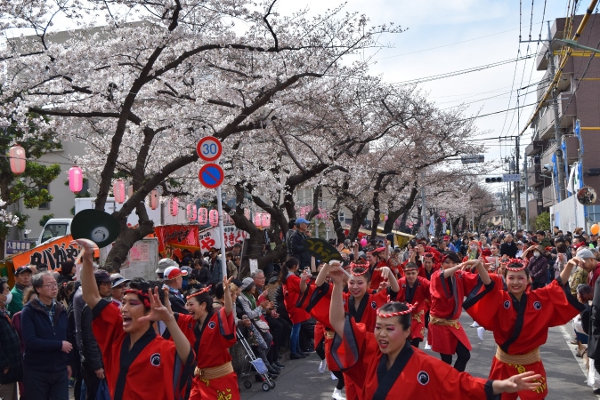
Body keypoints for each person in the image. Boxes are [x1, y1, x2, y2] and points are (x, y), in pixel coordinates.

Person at [327, 264, 542, 399]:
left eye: (389, 329)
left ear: (406, 332)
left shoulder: (424, 364)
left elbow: (461, 383)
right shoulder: (370, 348)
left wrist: (499, 385)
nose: (381, 334)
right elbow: (338, 321)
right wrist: (338, 285)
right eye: (378, 328)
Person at [76, 238, 194, 399]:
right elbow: (90, 297)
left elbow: (188, 358)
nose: (124, 309)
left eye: (132, 304)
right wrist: (88, 260)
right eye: (123, 303)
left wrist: (169, 319)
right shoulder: (117, 333)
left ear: (148, 311)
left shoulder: (162, 348)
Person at [466, 257, 584, 400]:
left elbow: (557, 284)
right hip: (503, 363)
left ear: (529, 279)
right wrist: (479, 266)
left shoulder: (538, 298)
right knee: (501, 397)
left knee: (535, 397)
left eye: (520, 278)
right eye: (511, 278)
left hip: (530, 363)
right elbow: (489, 285)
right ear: (505, 279)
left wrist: (569, 266)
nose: (516, 282)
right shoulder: (500, 298)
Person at [173, 279, 240, 400]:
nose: (187, 308)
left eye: (191, 304)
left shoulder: (217, 319)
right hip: (201, 380)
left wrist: (226, 293)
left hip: (221, 379)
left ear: (203, 305)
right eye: (186, 304)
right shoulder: (191, 323)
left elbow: (228, 311)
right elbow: (170, 318)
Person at [21, 271, 75, 400]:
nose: (54, 287)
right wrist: (59, 345)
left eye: (55, 284)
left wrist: (68, 363)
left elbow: (67, 337)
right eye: (49, 285)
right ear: (38, 289)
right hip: (37, 370)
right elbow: (31, 341)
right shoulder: (29, 311)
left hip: (59, 370)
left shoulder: (61, 309)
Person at [428, 253, 485, 372]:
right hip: (440, 324)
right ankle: (446, 383)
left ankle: (455, 380)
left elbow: (478, 280)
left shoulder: (459, 276)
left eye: (453, 262)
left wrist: (481, 266)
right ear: (441, 264)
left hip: (453, 323)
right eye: (447, 262)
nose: (450, 265)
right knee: (446, 359)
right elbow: (442, 275)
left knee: (465, 355)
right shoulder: (436, 275)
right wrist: (460, 265)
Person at [278, 258, 312, 359]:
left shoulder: (287, 277)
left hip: (292, 304)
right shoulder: (292, 278)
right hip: (295, 305)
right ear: (294, 266)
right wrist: (307, 278)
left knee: (296, 328)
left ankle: (297, 350)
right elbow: (303, 286)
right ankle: (294, 351)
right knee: (296, 329)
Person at [396, 262, 431, 348]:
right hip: (403, 315)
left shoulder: (424, 282)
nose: (411, 276)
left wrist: (424, 308)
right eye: (408, 274)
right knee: (404, 341)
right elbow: (394, 297)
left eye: (413, 273)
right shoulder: (400, 282)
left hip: (418, 316)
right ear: (404, 273)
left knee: (415, 341)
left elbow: (432, 297)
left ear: (417, 273)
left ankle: (414, 359)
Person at [0, 278, 22, 400]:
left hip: (10, 373)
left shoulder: (4, 313)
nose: (9, 293)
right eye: (7, 289)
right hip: (4, 373)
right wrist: (4, 364)